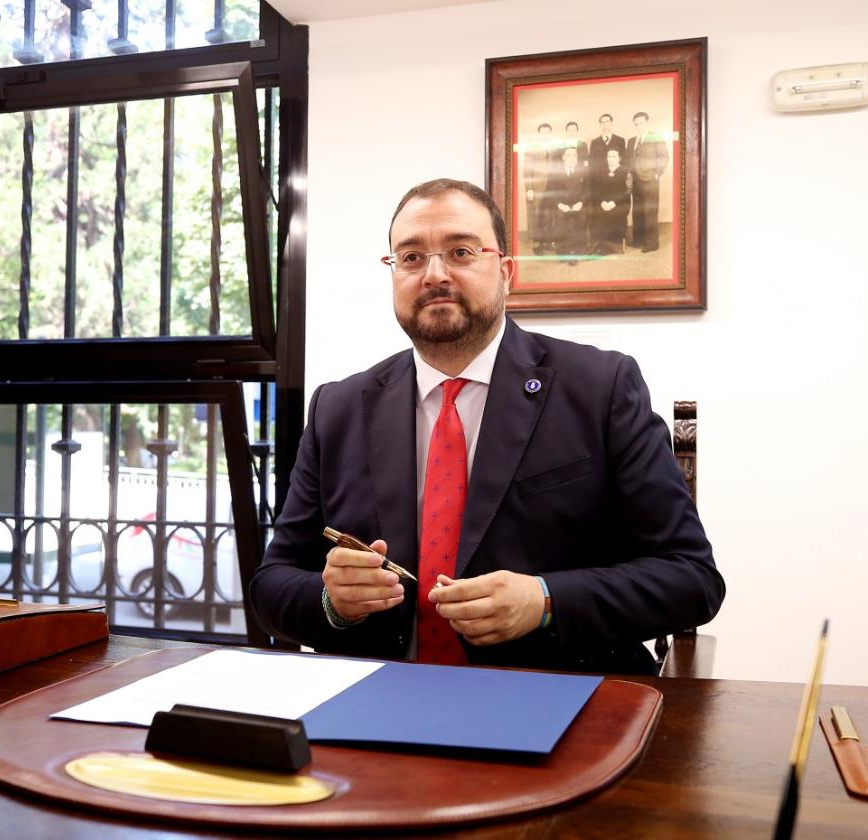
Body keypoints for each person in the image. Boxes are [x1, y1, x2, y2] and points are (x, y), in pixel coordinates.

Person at [251, 178, 723, 675]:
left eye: (460, 251)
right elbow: (273, 583)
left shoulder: (601, 387)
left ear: (506, 271)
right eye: (410, 258)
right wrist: (333, 601)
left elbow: (690, 578)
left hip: (556, 698)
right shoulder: (339, 407)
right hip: (378, 702)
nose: (434, 274)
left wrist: (546, 599)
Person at [627, 111, 668, 253]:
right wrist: (629, 176)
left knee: (649, 211)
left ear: (647, 122)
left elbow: (664, 157)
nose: (639, 126)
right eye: (636, 124)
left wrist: (657, 174)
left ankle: (652, 243)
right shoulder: (632, 140)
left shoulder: (655, 137)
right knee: (637, 211)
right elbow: (628, 160)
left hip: (650, 180)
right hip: (635, 181)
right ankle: (638, 240)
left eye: (641, 123)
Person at [547, 146, 588, 262]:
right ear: (563, 157)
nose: (571, 158)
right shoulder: (555, 173)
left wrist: (580, 203)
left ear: (577, 158)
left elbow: (588, 191)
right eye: (569, 155)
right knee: (562, 222)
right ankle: (563, 251)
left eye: (574, 155)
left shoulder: (583, 171)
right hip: (562, 205)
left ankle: (575, 251)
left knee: (579, 220)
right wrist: (560, 205)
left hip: (578, 205)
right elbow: (550, 191)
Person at [590, 148, 631, 255]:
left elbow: (627, 191)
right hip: (603, 203)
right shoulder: (601, 171)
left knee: (616, 214)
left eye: (614, 156)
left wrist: (613, 203)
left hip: (620, 203)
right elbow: (596, 190)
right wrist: (602, 202)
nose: (611, 159)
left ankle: (614, 241)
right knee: (596, 213)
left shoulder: (626, 171)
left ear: (619, 158)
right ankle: (600, 244)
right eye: (609, 156)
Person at [523, 122, 555, 255]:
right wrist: (529, 188)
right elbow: (527, 169)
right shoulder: (532, 148)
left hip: (552, 187)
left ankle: (547, 241)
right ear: (539, 134)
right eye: (543, 132)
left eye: (548, 132)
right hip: (537, 187)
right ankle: (537, 244)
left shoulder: (553, 149)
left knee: (549, 215)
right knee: (536, 215)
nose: (545, 135)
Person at [588, 113, 626, 177]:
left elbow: (623, 160)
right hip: (599, 177)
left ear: (611, 123)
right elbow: (592, 162)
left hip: (616, 176)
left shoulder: (620, 140)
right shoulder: (594, 142)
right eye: (602, 123)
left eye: (607, 122)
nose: (605, 125)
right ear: (600, 125)